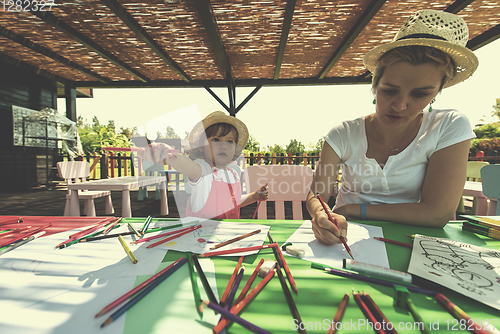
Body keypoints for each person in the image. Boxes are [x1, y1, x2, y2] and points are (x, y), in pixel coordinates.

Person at [306, 9, 478, 245]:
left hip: (413, 240)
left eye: (420, 94)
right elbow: (318, 194)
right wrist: (319, 214)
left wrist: (354, 209)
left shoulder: (449, 125)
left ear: (438, 91)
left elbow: (438, 213)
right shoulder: (342, 134)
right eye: (390, 90)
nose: (399, 105)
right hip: (344, 235)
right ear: (375, 84)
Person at [138, 111, 268, 219]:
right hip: (200, 237)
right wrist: (171, 157)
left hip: (226, 235)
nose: (223, 145)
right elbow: (187, 165)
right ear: (201, 147)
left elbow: (233, 202)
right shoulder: (203, 170)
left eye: (230, 142)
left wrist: (254, 196)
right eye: (216, 140)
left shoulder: (233, 174)